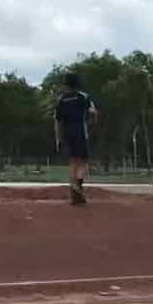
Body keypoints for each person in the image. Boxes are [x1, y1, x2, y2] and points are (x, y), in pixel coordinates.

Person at [54, 72, 97, 205]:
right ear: (78, 84)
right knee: (84, 161)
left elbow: (57, 121)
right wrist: (92, 121)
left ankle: (74, 191)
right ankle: (77, 186)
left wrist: (58, 138)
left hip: (67, 133)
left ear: (66, 84)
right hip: (80, 132)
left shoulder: (61, 99)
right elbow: (93, 111)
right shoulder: (83, 96)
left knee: (72, 161)